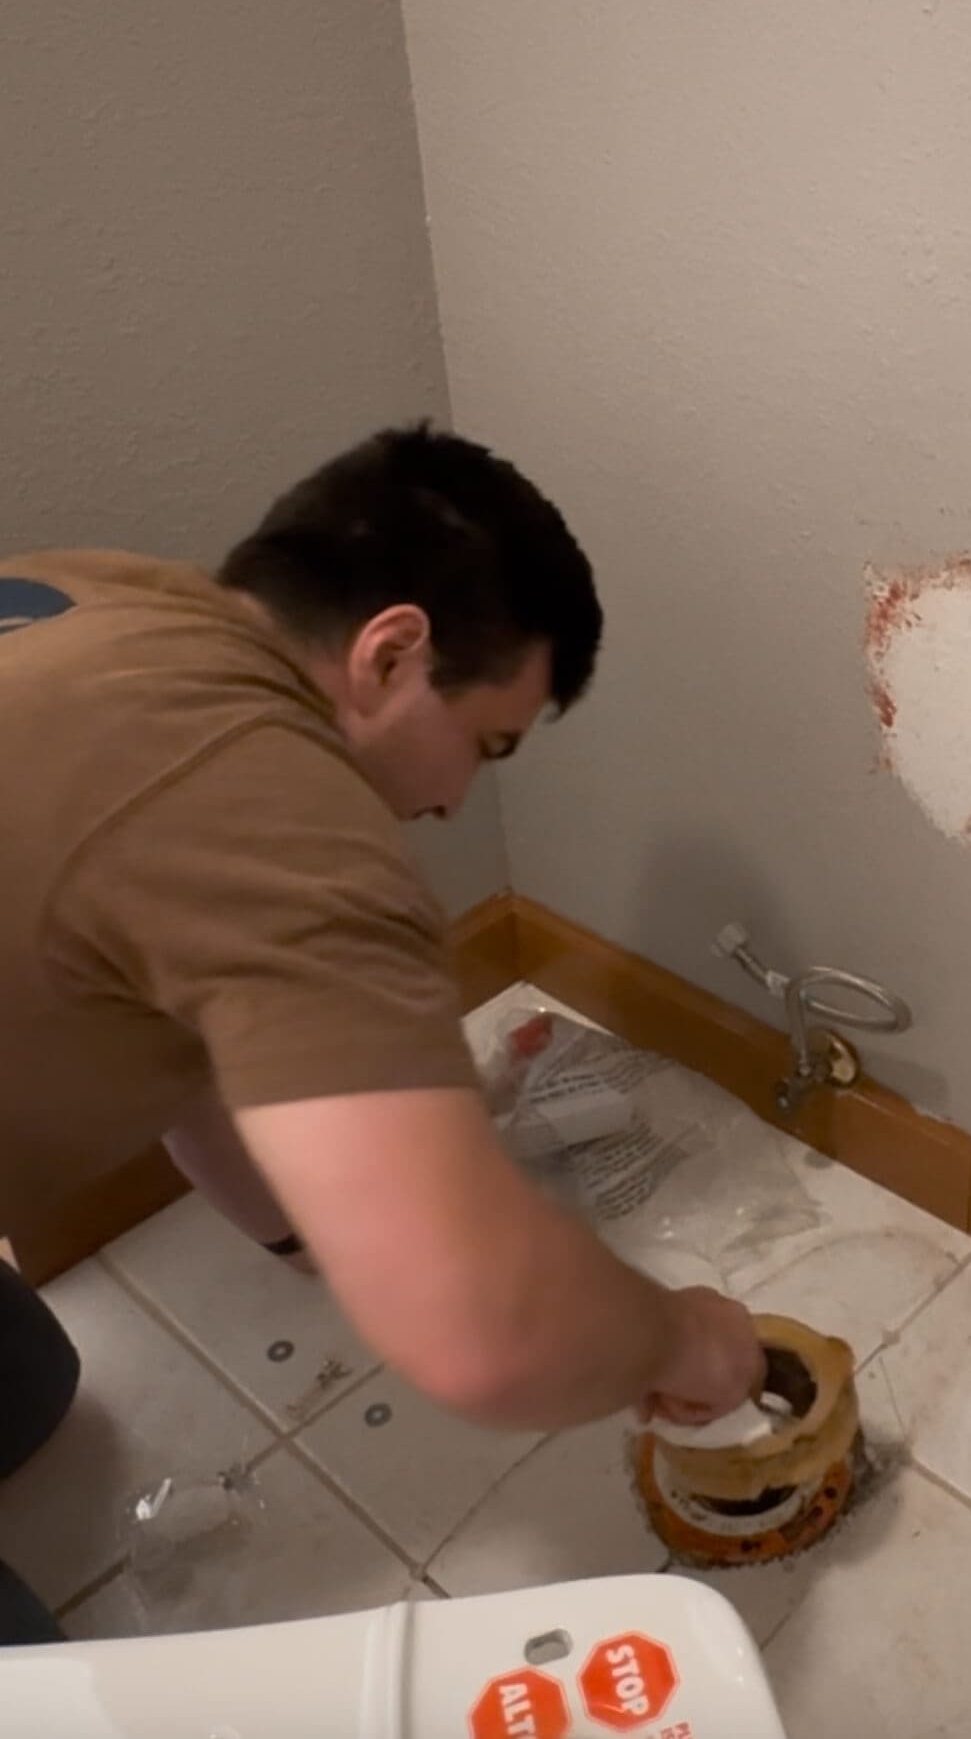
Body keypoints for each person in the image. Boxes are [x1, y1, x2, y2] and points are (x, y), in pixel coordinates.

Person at [0, 422, 764, 1642]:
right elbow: (480, 1332)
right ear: (391, 651)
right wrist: (684, 1336)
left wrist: (312, 1232)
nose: (459, 798)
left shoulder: (113, 603)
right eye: (485, 742)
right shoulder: (270, 807)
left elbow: (186, 1038)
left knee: (31, 1399)